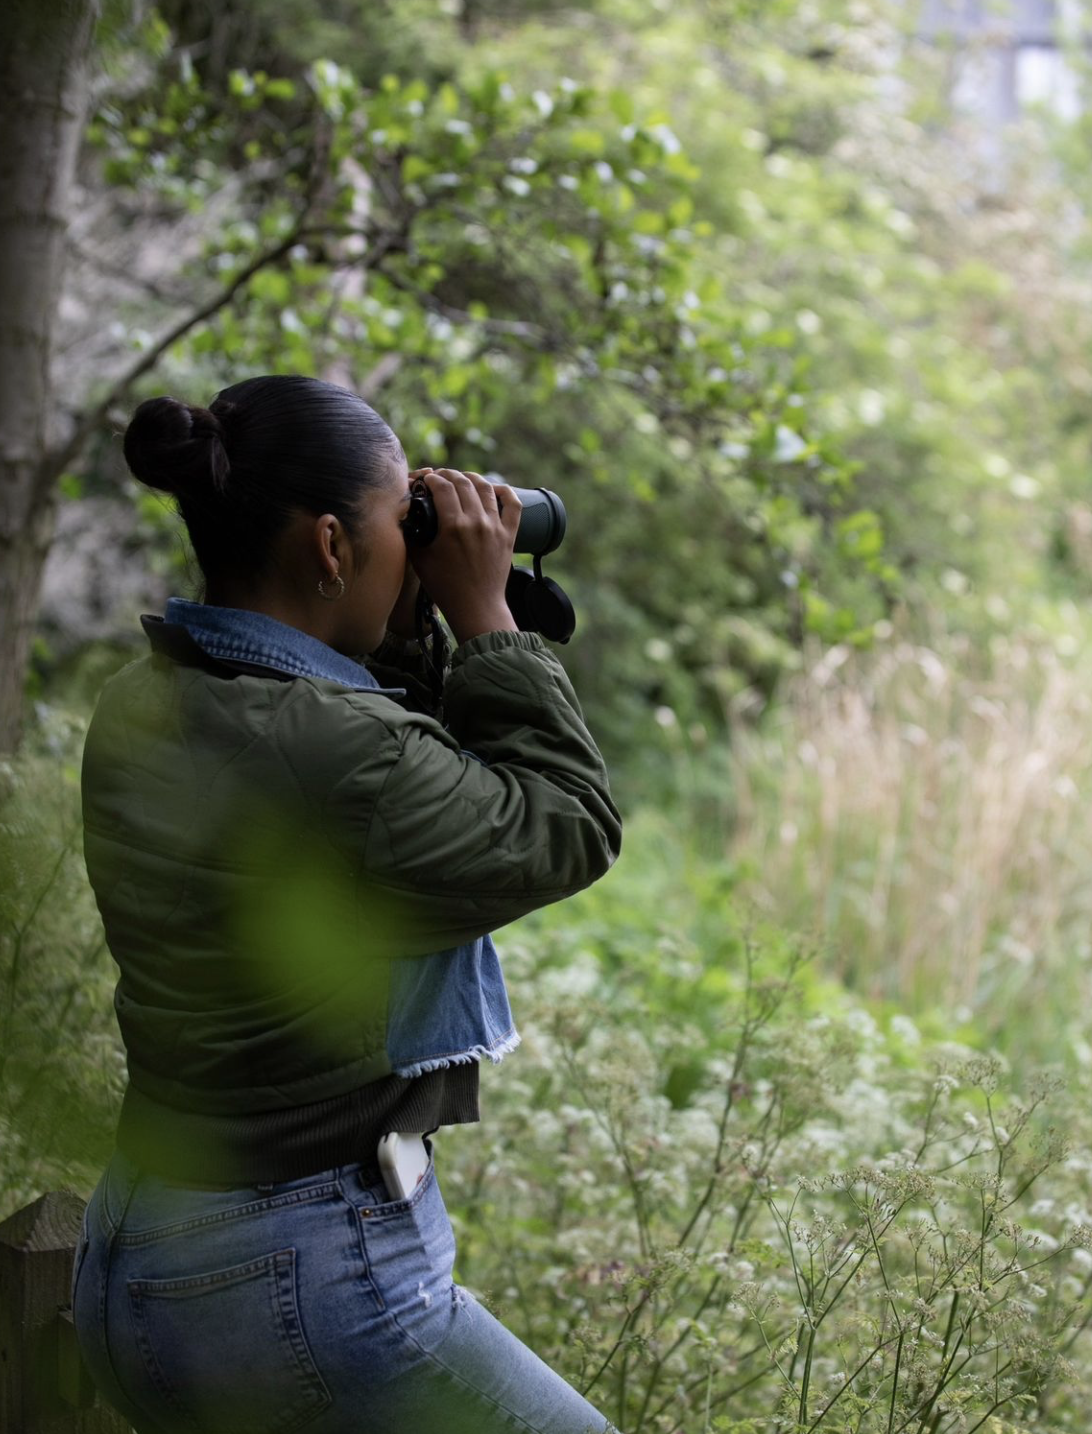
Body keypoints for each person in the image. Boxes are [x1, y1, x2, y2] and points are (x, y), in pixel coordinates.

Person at [71, 374, 623, 1434]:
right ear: (331, 546)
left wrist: (403, 628)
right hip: (294, 1271)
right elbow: (566, 825)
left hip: (139, 1247)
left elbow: (366, 769)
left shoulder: (143, 699)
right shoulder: (343, 753)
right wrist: (486, 616)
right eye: (398, 522)